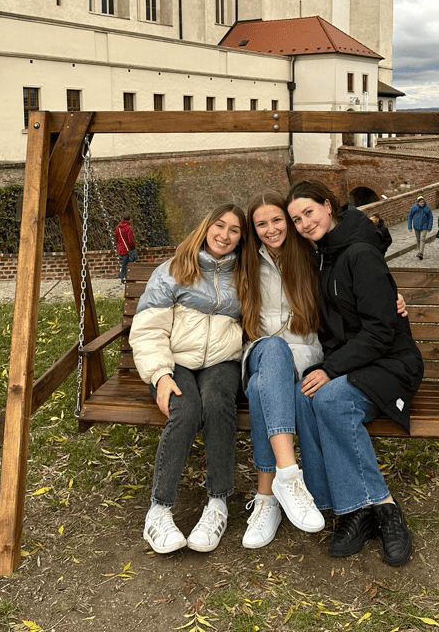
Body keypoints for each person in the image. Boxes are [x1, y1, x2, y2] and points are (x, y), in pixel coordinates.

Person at [287, 181, 424, 567]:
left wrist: (330, 369)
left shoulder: (359, 253)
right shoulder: (324, 253)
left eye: (309, 213)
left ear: (328, 207)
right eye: (296, 219)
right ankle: (347, 509)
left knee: (330, 396)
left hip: (391, 363)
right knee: (305, 394)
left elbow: (381, 330)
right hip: (355, 362)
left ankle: (383, 507)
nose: (303, 223)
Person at [128, 204, 247, 555]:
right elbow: (148, 330)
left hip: (222, 361)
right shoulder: (175, 269)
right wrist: (161, 375)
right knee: (186, 408)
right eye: (219, 226)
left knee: (217, 402)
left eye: (235, 230)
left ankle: (217, 504)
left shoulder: (246, 274)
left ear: (242, 237)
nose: (225, 235)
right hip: (174, 360)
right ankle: (159, 510)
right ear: (205, 227)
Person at [238, 192, 326, 548]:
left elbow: (356, 272)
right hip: (258, 352)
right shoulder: (243, 263)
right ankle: (290, 476)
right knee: (271, 351)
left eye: (277, 220)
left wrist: (392, 296)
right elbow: (199, 268)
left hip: (304, 358)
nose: (271, 229)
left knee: (264, 387)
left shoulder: (311, 256)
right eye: (261, 223)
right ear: (253, 229)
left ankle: (267, 498)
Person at [406, 194, 432, 260]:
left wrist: (429, 227)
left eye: (423, 202)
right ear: (418, 202)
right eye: (420, 202)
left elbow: (430, 217)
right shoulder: (414, 207)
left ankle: (421, 252)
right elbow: (409, 216)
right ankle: (419, 250)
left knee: (422, 239)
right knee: (418, 240)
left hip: (424, 226)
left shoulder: (427, 208)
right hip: (416, 226)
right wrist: (409, 226)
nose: (422, 203)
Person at [115, 214, 136, 281]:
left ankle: (123, 276)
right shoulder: (129, 227)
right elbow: (131, 241)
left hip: (120, 248)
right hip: (127, 248)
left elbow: (116, 239)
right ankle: (121, 276)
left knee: (124, 262)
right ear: (129, 219)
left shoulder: (118, 227)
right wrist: (132, 248)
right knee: (126, 264)